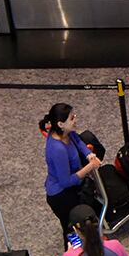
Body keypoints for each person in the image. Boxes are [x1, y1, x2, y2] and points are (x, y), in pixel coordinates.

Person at [40, 103, 102, 242]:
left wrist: (88, 154)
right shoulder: (58, 149)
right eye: (72, 118)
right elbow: (66, 181)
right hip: (61, 196)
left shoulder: (66, 133)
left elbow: (78, 140)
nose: (75, 120)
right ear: (61, 124)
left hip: (70, 188)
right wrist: (90, 166)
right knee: (72, 231)